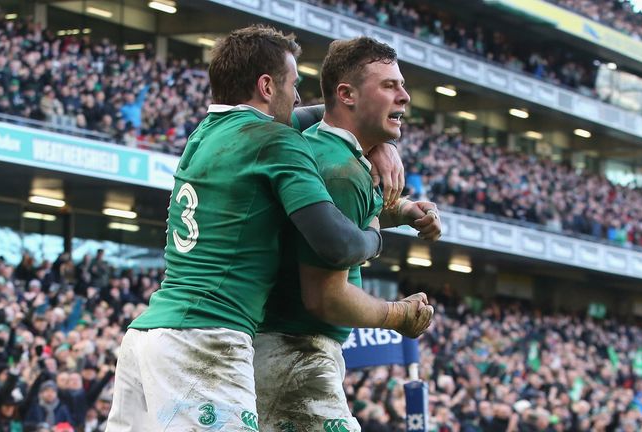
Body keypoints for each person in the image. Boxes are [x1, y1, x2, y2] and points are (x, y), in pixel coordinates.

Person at [107, 25, 406, 431]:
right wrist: (374, 231)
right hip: (204, 339)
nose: (299, 96)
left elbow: (324, 116)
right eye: (293, 83)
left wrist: (379, 140)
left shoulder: (206, 133)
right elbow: (336, 244)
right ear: (267, 86)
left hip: (148, 337)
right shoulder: (274, 142)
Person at [254, 37, 442, 431]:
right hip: (295, 350)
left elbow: (338, 212)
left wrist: (404, 209)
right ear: (346, 95)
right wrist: (397, 315)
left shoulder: (325, 148)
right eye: (389, 86)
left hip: (282, 347)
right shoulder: (341, 168)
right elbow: (325, 298)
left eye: (402, 85)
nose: (405, 97)